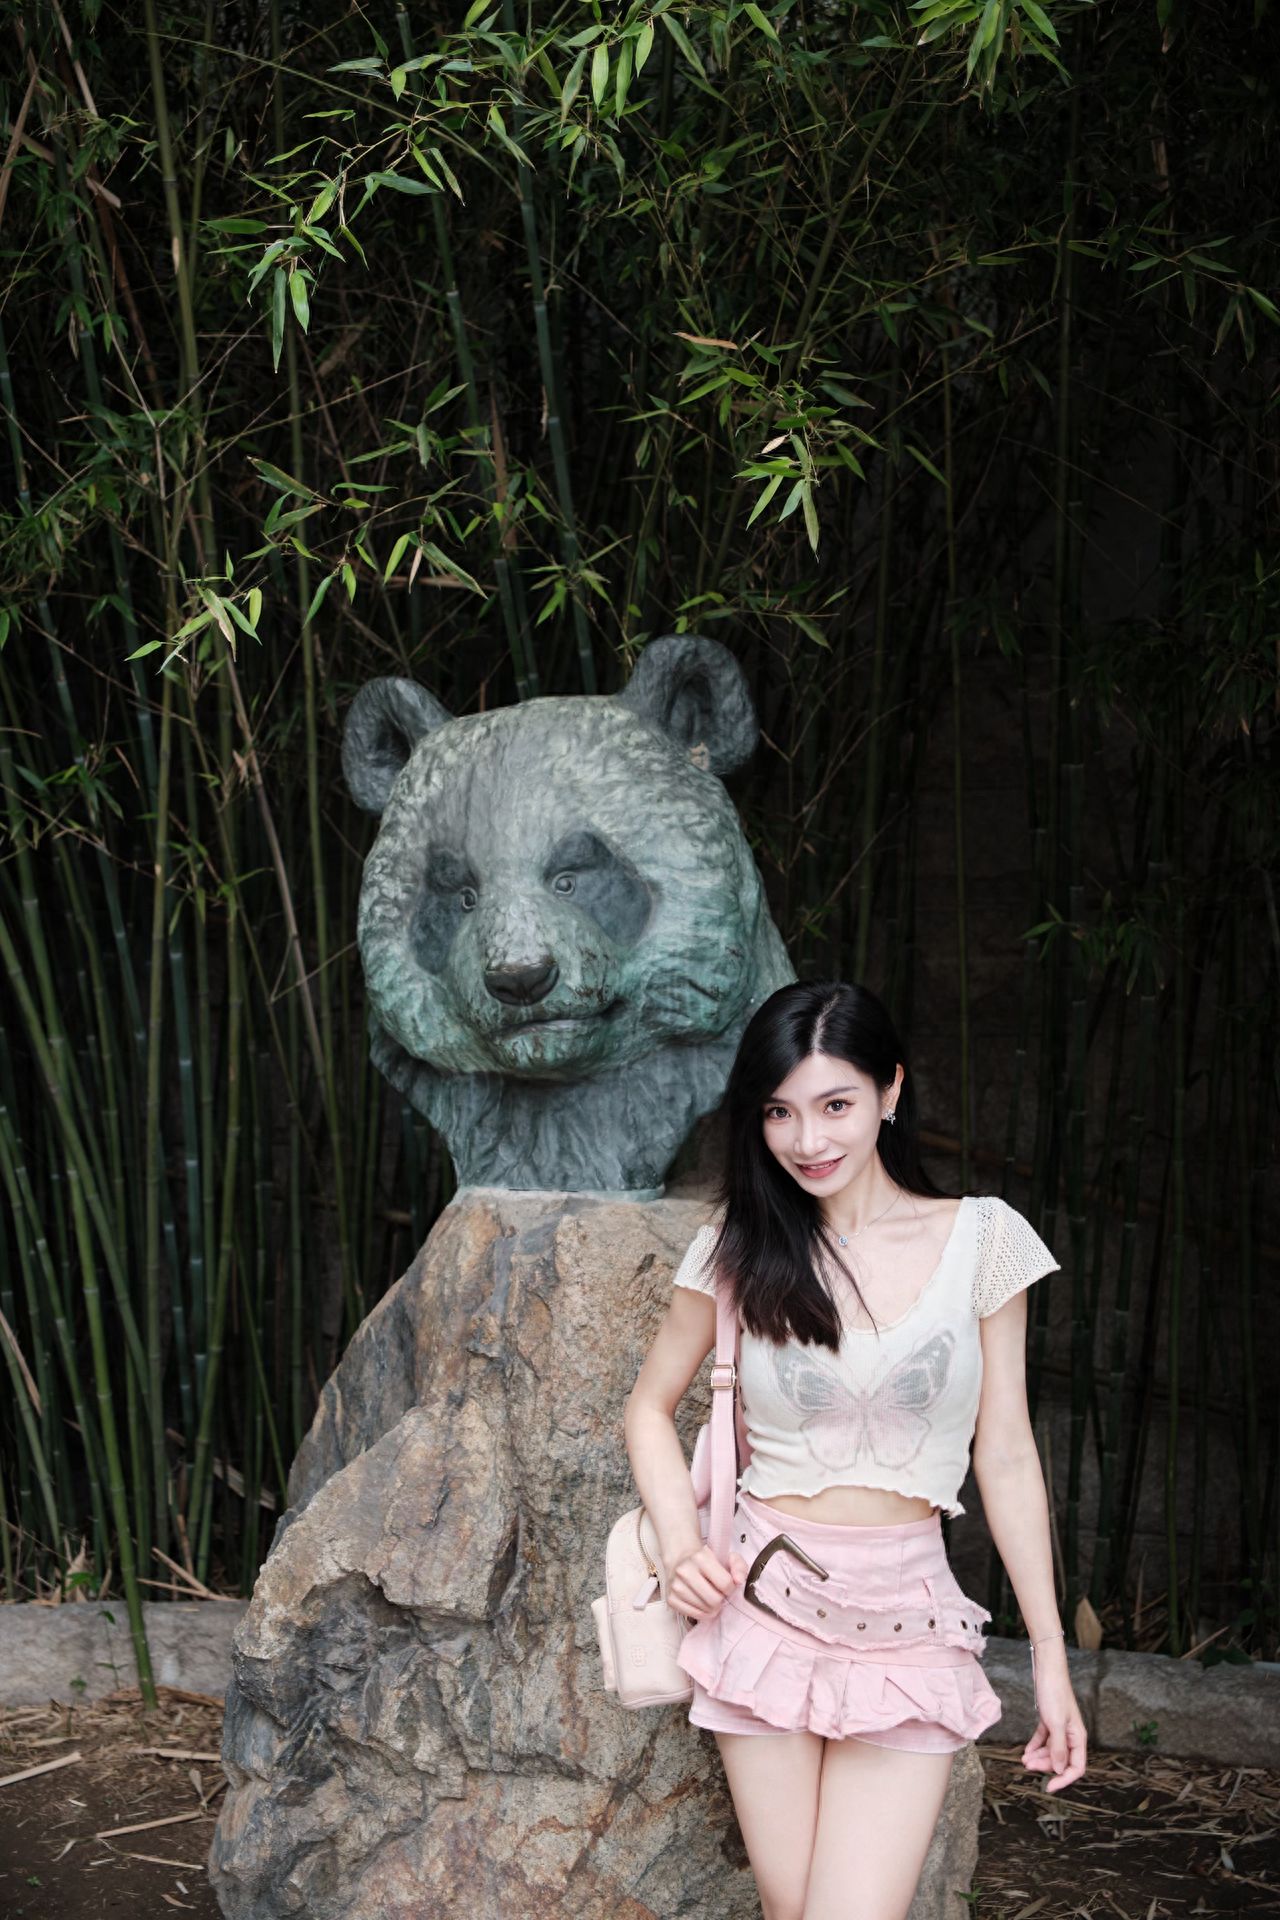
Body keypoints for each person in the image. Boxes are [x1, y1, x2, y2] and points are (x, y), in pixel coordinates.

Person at [623, 980, 1088, 1920]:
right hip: (763, 1604)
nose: (808, 1140)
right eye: (780, 1113)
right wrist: (679, 1547)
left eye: (835, 1105)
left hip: (908, 1621)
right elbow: (648, 1407)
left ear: (891, 1090)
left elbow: (1005, 1451)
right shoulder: (738, 1248)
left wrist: (1049, 1652)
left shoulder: (983, 1238)